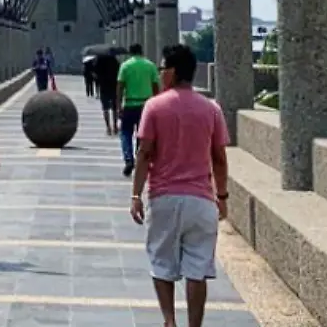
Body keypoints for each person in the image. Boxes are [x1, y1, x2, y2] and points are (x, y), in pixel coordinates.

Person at [130, 43, 230, 327]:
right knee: (197, 270)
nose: (161, 74)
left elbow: (145, 153)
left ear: (172, 72)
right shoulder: (211, 109)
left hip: (164, 198)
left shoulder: (154, 106)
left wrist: (136, 194)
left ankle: (169, 321)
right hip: (201, 201)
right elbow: (219, 158)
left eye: (162, 69)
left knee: (161, 263)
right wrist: (221, 196)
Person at [116, 42, 160, 176]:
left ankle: (128, 159)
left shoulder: (126, 66)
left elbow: (120, 86)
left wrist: (118, 105)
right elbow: (156, 86)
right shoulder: (150, 65)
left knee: (125, 133)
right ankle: (140, 156)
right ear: (142, 51)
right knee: (143, 134)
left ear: (130, 52)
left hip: (129, 104)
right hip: (146, 106)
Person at [94, 47, 122, 136]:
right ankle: (115, 126)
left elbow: (95, 73)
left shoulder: (99, 61)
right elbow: (119, 73)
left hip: (104, 87)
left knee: (105, 108)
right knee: (114, 108)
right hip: (114, 86)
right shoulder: (115, 61)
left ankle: (108, 127)